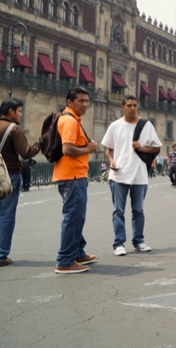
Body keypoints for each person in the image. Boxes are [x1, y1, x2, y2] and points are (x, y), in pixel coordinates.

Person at [101, 96, 162, 256]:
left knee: (138, 210)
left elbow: (156, 148)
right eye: (129, 105)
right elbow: (108, 149)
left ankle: (139, 241)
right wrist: (111, 161)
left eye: (135, 105)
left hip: (139, 174)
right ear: (123, 107)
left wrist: (141, 148)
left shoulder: (146, 125)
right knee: (118, 211)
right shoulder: (115, 126)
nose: (132, 108)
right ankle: (118, 244)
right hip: (118, 174)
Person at [53, 87, 98, 274]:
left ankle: (78, 252)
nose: (85, 104)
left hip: (71, 175)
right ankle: (65, 260)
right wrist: (89, 149)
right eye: (81, 101)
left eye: (87, 101)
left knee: (76, 216)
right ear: (69, 102)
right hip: (73, 176)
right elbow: (67, 149)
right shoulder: (70, 121)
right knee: (74, 217)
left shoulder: (71, 119)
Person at [0, 98, 40, 267]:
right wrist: (40, 144)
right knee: (6, 214)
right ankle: (1, 254)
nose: (20, 115)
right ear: (11, 112)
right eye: (19, 111)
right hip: (8, 176)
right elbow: (26, 153)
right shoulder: (13, 129)